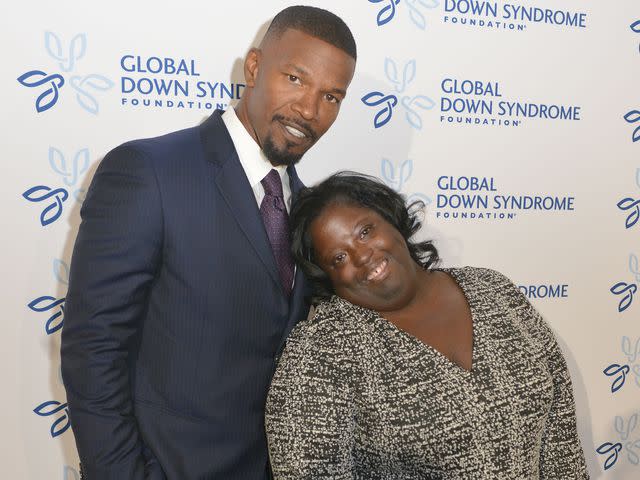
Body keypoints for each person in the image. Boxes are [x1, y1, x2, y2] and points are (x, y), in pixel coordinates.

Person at [61, 6, 356, 480]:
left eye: (332, 96)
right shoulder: (148, 172)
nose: (310, 110)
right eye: (296, 79)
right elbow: (93, 349)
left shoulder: (308, 213)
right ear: (254, 67)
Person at [265, 172, 590, 479]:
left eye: (365, 232)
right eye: (338, 258)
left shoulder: (494, 290)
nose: (361, 256)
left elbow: (560, 436)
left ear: (392, 220)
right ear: (328, 277)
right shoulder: (322, 349)